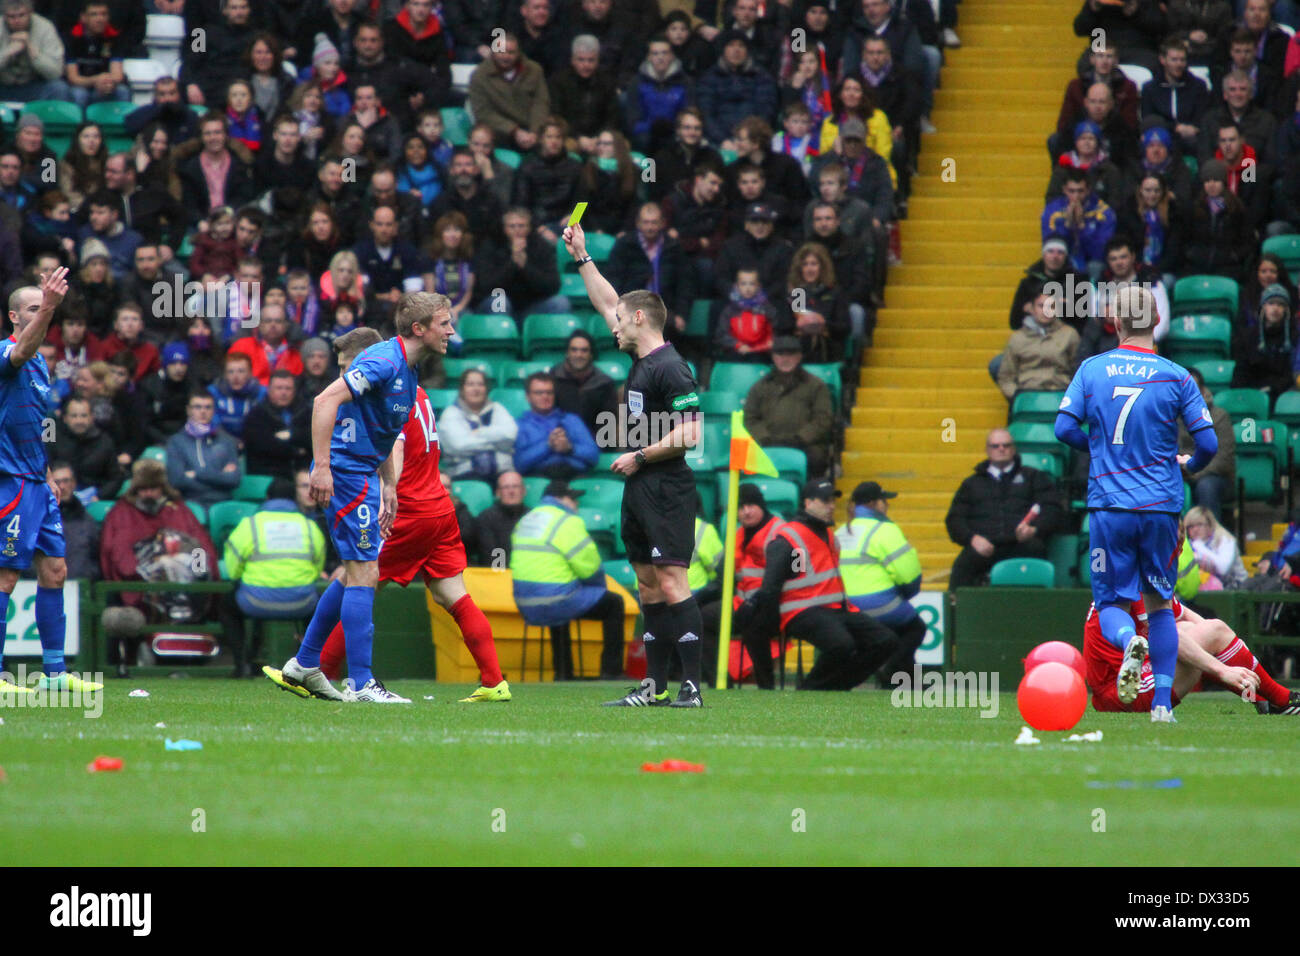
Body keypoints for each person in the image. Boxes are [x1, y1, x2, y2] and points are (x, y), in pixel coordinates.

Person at [265, 293, 464, 704]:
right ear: (419, 328)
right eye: (444, 324)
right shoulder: (383, 361)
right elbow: (325, 400)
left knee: (353, 572)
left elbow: (386, 433)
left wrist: (390, 484)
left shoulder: (407, 373)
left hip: (366, 478)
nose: (451, 331)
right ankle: (361, 683)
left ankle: (303, 664)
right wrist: (321, 467)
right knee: (364, 574)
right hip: (347, 476)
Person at [1055, 284, 1218, 723]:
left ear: (1116, 322)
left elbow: (1062, 428)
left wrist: (1099, 445)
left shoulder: (1092, 369)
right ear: (1156, 322)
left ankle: (1129, 641)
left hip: (1110, 505)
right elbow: (1209, 442)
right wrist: (1186, 462)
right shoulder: (1177, 375)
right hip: (1162, 505)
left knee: (1112, 604)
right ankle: (1162, 704)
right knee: (1160, 604)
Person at [564, 222, 706, 707]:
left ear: (641, 318)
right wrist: (583, 257)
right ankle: (654, 687)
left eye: (622, 320)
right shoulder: (641, 360)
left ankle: (691, 687)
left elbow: (691, 433)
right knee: (647, 584)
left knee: (671, 581)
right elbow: (608, 302)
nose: (613, 325)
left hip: (666, 485)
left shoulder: (670, 366)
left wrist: (641, 454)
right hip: (642, 487)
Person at [0, 269, 103, 694]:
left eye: (39, 307)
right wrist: (51, 306)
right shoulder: (9, 351)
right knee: (5, 577)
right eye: (31, 308)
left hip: (36, 484)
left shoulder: (42, 362)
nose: (38, 312)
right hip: (9, 483)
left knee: (55, 571)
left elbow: (39, 422)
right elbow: (21, 352)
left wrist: (46, 474)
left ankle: (55, 675)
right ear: (12, 316)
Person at [733, 479, 897, 690]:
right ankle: (811, 688)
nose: (831, 506)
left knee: (886, 641)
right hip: (802, 609)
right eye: (825, 501)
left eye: (832, 501)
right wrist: (756, 607)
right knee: (841, 644)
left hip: (837, 608)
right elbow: (777, 582)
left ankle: (833, 685)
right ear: (808, 503)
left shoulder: (828, 534)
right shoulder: (790, 538)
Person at [510, 478, 624, 680]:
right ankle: (611, 672)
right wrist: (597, 588)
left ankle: (563, 673)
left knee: (558, 595)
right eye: (573, 498)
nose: (577, 503)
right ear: (559, 499)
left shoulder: (526, 520)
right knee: (614, 603)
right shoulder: (567, 521)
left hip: (524, 601)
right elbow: (590, 568)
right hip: (556, 601)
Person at [222, 485, 327, 677]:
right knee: (321, 609)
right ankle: (308, 666)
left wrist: (241, 579)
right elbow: (318, 565)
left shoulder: (250, 524)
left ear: (267, 498)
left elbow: (232, 565)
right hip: (301, 602)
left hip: (254, 601)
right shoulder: (308, 526)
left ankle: (242, 664)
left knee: (226, 607)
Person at [945, 428, 1065, 590]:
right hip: (984, 546)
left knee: (1036, 549)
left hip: (1022, 544)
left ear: (1013, 449)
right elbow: (954, 519)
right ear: (988, 450)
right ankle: (956, 608)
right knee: (962, 566)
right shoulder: (971, 484)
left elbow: (1053, 509)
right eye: (995, 446)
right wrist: (972, 539)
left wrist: (1034, 529)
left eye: (1006, 445)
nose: (1001, 449)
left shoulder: (1033, 477)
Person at [836, 480, 925, 682]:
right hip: (879, 605)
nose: (887, 506)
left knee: (894, 633)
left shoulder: (840, 532)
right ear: (875, 504)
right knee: (915, 628)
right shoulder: (885, 530)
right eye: (885, 501)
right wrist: (905, 593)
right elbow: (910, 577)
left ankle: (909, 681)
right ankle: (892, 670)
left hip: (846, 608)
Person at [742, 338, 835, 479]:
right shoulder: (759, 387)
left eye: (790, 354)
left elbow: (823, 419)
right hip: (766, 444)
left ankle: (808, 498)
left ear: (799, 357)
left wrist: (801, 438)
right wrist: (765, 438)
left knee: (816, 460)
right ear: (773, 357)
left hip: (805, 446)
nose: (785, 359)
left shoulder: (816, 386)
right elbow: (750, 418)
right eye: (780, 355)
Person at [995, 286, 1081, 402]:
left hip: (1061, 395)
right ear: (1031, 308)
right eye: (1041, 306)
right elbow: (1006, 376)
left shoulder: (1070, 335)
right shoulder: (1017, 339)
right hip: (1027, 395)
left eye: (1051, 306)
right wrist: (1017, 396)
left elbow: (1078, 372)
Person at [438, 368, 518, 483]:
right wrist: (495, 443)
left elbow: (511, 435)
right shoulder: (451, 413)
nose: (476, 389)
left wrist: (480, 433)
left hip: (502, 472)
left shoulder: (497, 408)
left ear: (486, 389)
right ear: (462, 389)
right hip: (465, 475)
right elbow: (459, 446)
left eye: (480, 384)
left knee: (512, 482)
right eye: (470, 384)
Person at [514, 372, 598, 479]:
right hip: (539, 478)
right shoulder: (520, 425)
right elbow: (519, 463)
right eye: (539, 393)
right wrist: (548, 445)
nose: (545, 396)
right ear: (528, 397)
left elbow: (594, 455)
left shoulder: (571, 420)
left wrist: (569, 448)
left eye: (549, 392)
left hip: (574, 475)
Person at [164, 391, 242, 507]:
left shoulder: (227, 441)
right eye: (197, 407)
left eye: (208, 407)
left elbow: (234, 480)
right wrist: (220, 476)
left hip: (223, 502)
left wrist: (197, 473)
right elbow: (177, 480)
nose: (203, 411)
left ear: (213, 411)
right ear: (188, 410)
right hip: (191, 502)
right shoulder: (176, 442)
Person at [1179, 368, 1236, 522]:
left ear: (1202, 390)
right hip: (1181, 473)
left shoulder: (1219, 417)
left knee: (1206, 486)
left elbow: (1223, 461)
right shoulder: (1171, 417)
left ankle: (1210, 541)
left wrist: (1192, 470)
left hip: (1214, 477)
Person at [242, 370, 311, 481]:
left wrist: (291, 435)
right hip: (268, 474)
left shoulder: (305, 411)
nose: (283, 393)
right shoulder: (256, 414)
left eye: (288, 388)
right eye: (279, 388)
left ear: (294, 391)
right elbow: (263, 446)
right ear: (269, 390)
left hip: (304, 473)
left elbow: (311, 438)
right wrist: (296, 451)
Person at [50, 396, 123, 500]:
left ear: (92, 418)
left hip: (93, 499)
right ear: (65, 418)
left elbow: (115, 478)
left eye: (84, 416)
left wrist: (99, 496)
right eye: (74, 416)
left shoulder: (104, 442)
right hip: (59, 497)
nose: (79, 421)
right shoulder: (53, 440)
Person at [550, 330, 618, 438]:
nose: (579, 355)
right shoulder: (552, 379)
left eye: (584, 350)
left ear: (591, 354)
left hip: (595, 447)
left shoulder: (604, 384)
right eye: (574, 350)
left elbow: (608, 427)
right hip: (559, 444)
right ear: (567, 353)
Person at [0, 0, 69, 102]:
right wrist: (8, 53)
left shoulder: (45, 28)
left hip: (32, 86)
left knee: (59, 88)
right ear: (4, 16)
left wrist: (32, 51)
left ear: (30, 13)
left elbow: (56, 72)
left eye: (21, 15)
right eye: (11, 17)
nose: (17, 20)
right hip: (3, 86)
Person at [43, 461, 99, 583]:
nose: (62, 486)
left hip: (80, 590)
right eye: (57, 482)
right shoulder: (39, 521)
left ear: (73, 483)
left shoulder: (88, 522)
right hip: (45, 589)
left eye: (66, 481)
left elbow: (96, 559)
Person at [1184, 505, 1248, 589]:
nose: (1195, 530)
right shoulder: (1189, 544)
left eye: (1199, 525)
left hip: (1237, 587)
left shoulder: (1225, 539)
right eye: (1191, 527)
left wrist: (1200, 548)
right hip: (1205, 587)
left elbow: (1223, 569)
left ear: (1210, 525)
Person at [476, 470, 527, 567]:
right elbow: (491, 557)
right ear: (498, 493)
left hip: (528, 573)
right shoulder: (486, 518)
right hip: (498, 575)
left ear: (524, 491)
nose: (511, 491)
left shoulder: (533, 517)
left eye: (515, 486)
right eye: (506, 487)